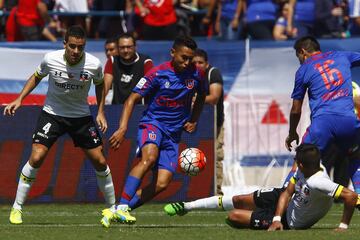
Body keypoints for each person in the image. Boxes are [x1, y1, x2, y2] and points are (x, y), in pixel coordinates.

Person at [3, 25, 116, 226]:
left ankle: (112, 209)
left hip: (80, 117)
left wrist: (100, 112)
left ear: (84, 46)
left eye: (80, 47)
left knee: (99, 160)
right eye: (72, 46)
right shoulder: (50, 59)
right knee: (36, 156)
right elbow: (36, 76)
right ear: (64, 44)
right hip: (52, 115)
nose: (75, 51)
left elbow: (100, 85)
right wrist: (20, 98)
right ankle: (17, 208)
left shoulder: (94, 64)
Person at [100, 35, 208, 227]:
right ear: (172, 53)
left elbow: (201, 96)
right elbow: (131, 99)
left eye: (190, 58)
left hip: (173, 134)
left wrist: (194, 119)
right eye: (183, 57)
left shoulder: (197, 74)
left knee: (162, 183)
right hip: (153, 124)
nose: (187, 62)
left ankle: (118, 210)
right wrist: (123, 127)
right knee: (149, 158)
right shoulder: (157, 73)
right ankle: (123, 206)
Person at [164, 144, 359, 231]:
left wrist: (342, 227)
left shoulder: (319, 181)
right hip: (283, 201)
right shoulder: (308, 168)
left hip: (291, 221)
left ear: (300, 164)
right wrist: (275, 217)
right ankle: (186, 206)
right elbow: (287, 192)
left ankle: (259, 218)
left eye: (295, 160)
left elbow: (350, 196)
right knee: (239, 199)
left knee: (233, 216)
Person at [284, 36, 360, 203]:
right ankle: (359, 196)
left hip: (322, 124)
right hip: (348, 121)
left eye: (298, 56)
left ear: (303, 52)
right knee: (355, 157)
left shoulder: (304, 69)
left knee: (301, 160)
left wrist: (292, 133)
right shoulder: (342, 56)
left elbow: (296, 109)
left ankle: (283, 197)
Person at [193, 49, 224, 195]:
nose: (197, 65)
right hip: (192, 121)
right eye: (194, 63)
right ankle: (194, 190)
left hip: (214, 124)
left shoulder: (213, 73)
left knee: (215, 156)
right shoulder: (187, 75)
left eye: (200, 62)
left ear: (207, 64)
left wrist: (192, 100)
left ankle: (216, 192)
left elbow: (214, 97)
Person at [103, 33, 153, 105]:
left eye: (129, 47)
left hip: (139, 107)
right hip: (116, 107)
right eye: (122, 47)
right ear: (118, 48)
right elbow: (105, 86)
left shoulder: (146, 61)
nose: (125, 50)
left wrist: (130, 102)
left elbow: (149, 86)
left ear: (135, 47)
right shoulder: (112, 60)